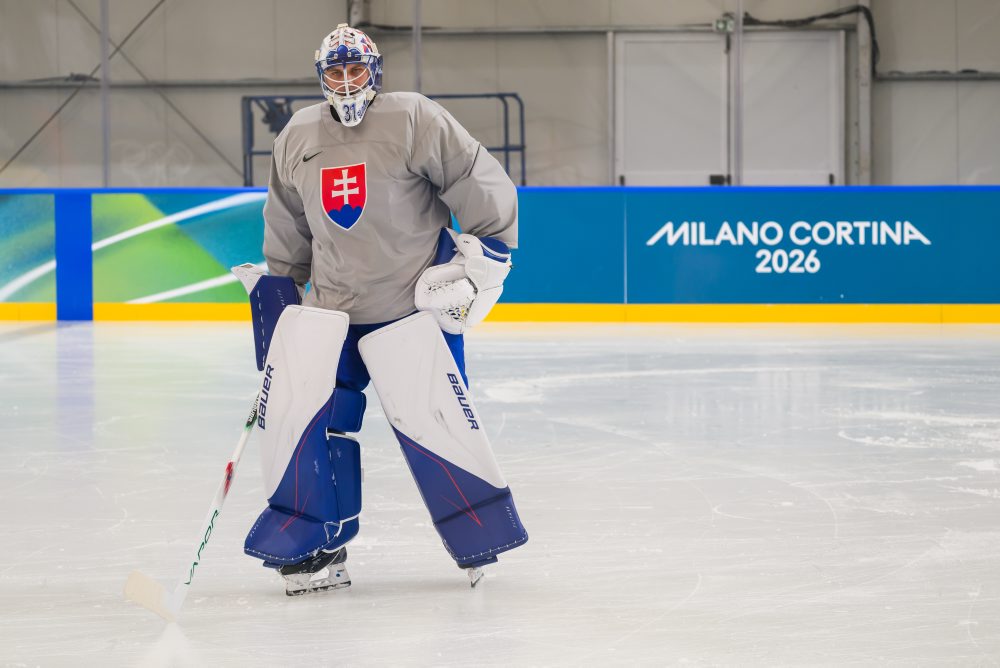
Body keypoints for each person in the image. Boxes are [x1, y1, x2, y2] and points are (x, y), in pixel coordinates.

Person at [231, 23, 527, 596]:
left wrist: (488, 255)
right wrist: (282, 295)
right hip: (331, 314)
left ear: (375, 70)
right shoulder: (297, 134)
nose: (345, 82)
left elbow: (472, 175)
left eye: (355, 70)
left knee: (437, 425)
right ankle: (320, 545)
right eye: (334, 72)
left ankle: (475, 536)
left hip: (409, 311)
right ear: (322, 76)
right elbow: (288, 222)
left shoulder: (414, 117)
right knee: (318, 433)